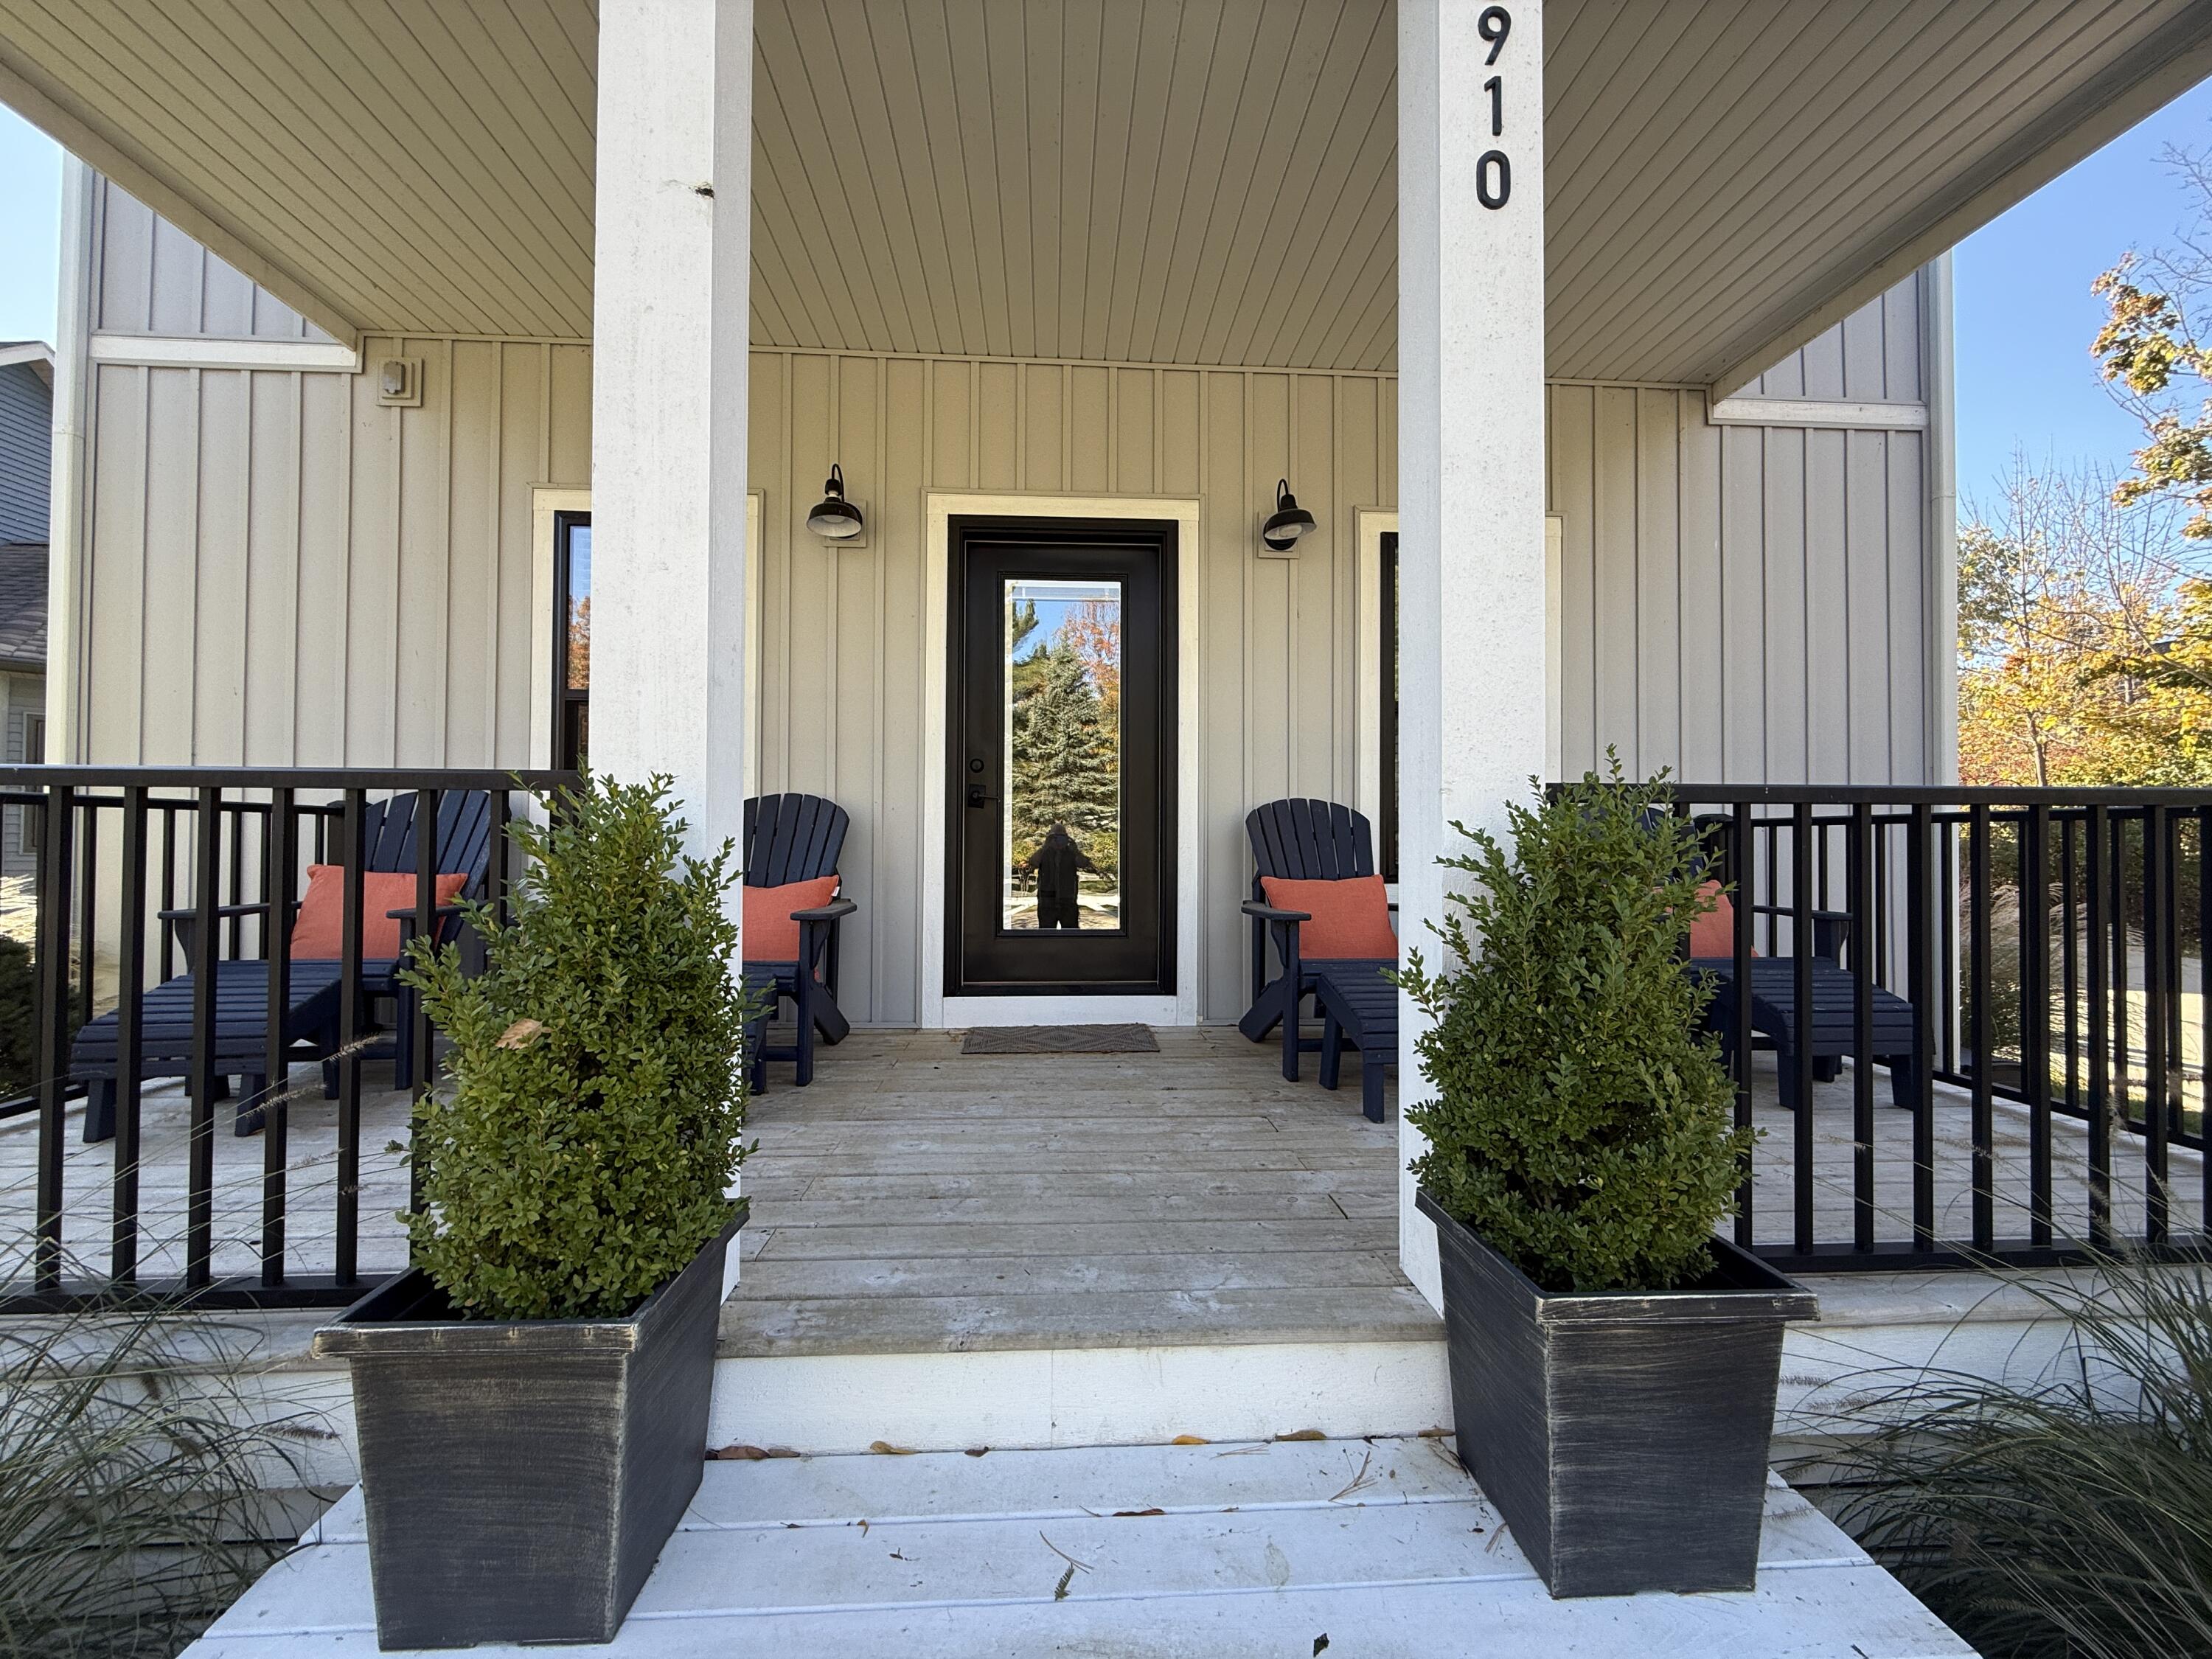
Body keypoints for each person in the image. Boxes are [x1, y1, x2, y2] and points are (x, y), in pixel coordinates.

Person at [1020, 822, 1096, 929]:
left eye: (1062, 838)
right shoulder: (1044, 853)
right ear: (1050, 839)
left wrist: (1074, 849)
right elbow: (1033, 862)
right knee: (1046, 936)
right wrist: (1045, 847)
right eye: (1055, 838)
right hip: (1047, 901)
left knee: (1070, 936)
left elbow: (1084, 864)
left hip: (1067, 901)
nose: (1058, 842)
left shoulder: (1071, 853)